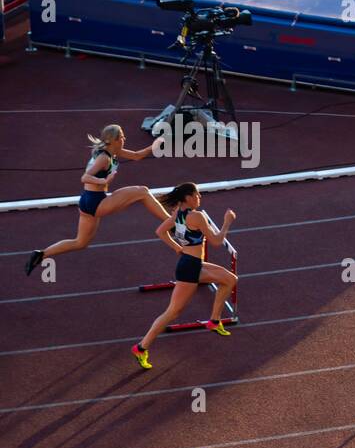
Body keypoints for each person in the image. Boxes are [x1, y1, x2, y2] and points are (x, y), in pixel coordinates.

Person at [24, 125, 168, 276]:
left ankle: (41, 254)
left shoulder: (113, 151)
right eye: (122, 137)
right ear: (114, 140)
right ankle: (171, 223)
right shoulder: (104, 158)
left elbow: (137, 155)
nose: (125, 139)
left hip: (87, 201)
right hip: (95, 201)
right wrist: (104, 180)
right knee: (143, 191)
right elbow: (85, 177)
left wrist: (156, 144)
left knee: (80, 242)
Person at [131, 183, 237, 370]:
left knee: (230, 279)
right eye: (196, 194)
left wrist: (177, 247)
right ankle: (141, 347)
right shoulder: (197, 216)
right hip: (189, 269)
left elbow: (160, 231)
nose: (199, 197)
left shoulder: (178, 213)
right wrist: (227, 222)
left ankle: (214, 320)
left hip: (192, 263)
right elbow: (216, 241)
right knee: (172, 312)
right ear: (188, 197)